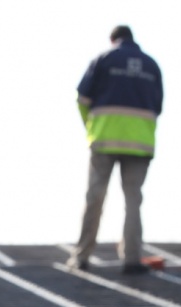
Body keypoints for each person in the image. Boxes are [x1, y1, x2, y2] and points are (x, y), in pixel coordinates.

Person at [67, 25, 163, 274]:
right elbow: (157, 106)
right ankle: (132, 259)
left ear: (113, 39)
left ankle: (82, 256)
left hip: (104, 140)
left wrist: (91, 125)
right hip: (140, 144)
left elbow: (81, 98)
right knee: (133, 201)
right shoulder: (151, 65)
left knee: (95, 198)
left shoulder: (104, 59)